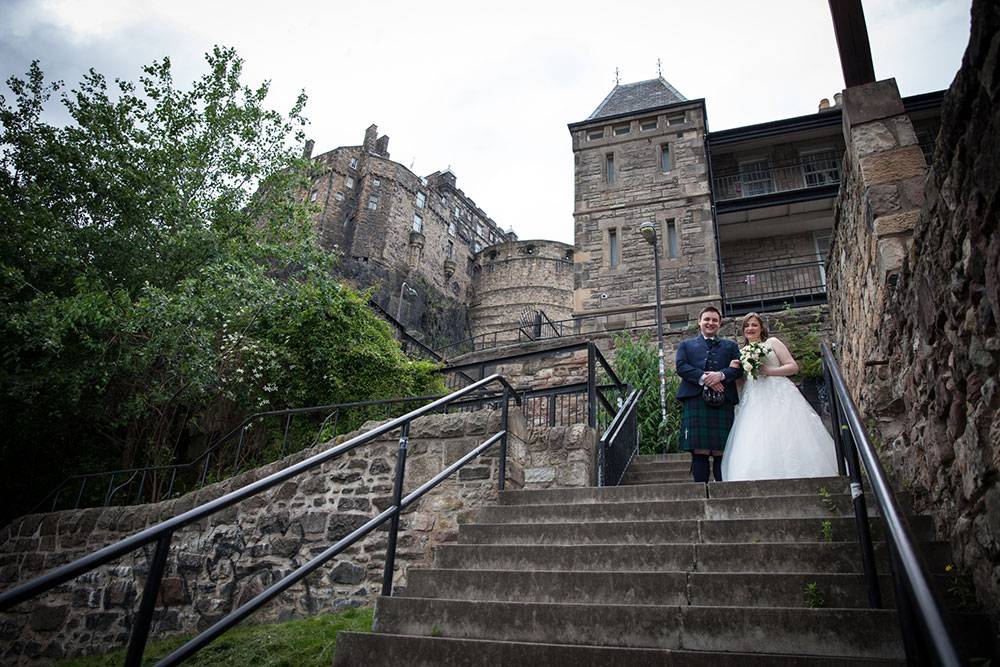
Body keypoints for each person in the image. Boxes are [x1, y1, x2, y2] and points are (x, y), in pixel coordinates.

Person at [721, 312, 840, 481]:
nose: (750, 328)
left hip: (779, 392)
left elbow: (793, 367)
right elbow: (742, 383)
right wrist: (734, 371)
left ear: (761, 328)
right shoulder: (741, 353)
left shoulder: (772, 343)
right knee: (756, 435)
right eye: (747, 326)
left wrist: (769, 371)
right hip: (754, 396)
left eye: (754, 325)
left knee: (788, 430)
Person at [675, 306, 743, 482]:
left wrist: (720, 375)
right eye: (707, 319)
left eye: (714, 320)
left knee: (722, 448)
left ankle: (722, 491)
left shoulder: (731, 346)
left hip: (724, 401)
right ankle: (702, 491)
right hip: (696, 399)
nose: (710, 323)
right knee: (700, 449)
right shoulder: (686, 345)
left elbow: (738, 369)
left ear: (720, 323)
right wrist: (705, 378)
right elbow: (681, 367)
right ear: (699, 322)